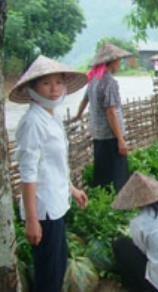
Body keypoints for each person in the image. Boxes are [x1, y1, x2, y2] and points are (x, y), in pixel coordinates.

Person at [10, 55, 89, 292]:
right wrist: (32, 220)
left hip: (56, 202)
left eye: (59, 82)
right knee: (48, 275)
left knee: (57, 265)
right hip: (43, 209)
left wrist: (72, 189)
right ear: (32, 88)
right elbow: (28, 172)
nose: (54, 89)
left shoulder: (51, 116)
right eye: (46, 83)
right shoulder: (33, 121)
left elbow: (53, 166)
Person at [74, 43, 130, 192]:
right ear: (112, 61)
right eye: (119, 60)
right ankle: (119, 206)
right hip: (111, 135)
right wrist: (120, 140)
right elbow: (111, 112)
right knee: (118, 175)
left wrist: (77, 116)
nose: (120, 63)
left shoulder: (93, 78)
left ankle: (103, 202)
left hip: (98, 134)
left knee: (102, 173)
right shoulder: (109, 81)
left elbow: (85, 100)